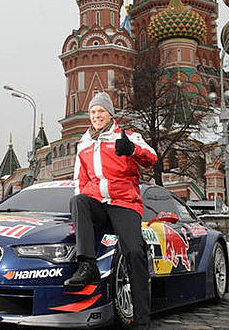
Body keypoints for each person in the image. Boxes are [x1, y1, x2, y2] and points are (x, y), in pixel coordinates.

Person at [65, 92, 157, 330]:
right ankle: (88, 265)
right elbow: (80, 180)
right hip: (98, 205)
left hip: (124, 204)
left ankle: (142, 318)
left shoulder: (127, 136)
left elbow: (152, 158)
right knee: (78, 201)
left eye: (101, 112)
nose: (96, 116)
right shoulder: (83, 143)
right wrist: (81, 210)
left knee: (134, 252)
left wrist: (132, 149)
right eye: (93, 112)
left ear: (110, 114)